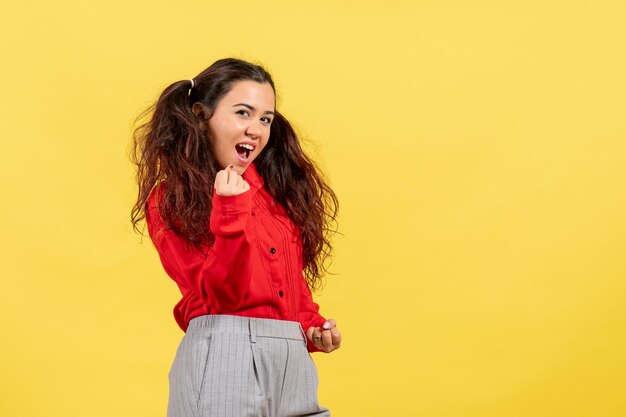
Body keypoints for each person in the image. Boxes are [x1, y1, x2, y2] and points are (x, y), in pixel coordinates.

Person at [130, 58, 341, 417]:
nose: (256, 130)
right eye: (243, 113)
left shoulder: (277, 192)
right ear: (201, 115)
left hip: (291, 358)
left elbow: (288, 281)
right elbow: (224, 295)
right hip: (226, 351)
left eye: (265, 119)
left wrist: (309, 325)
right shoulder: (171, 198)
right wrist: (230, 211)